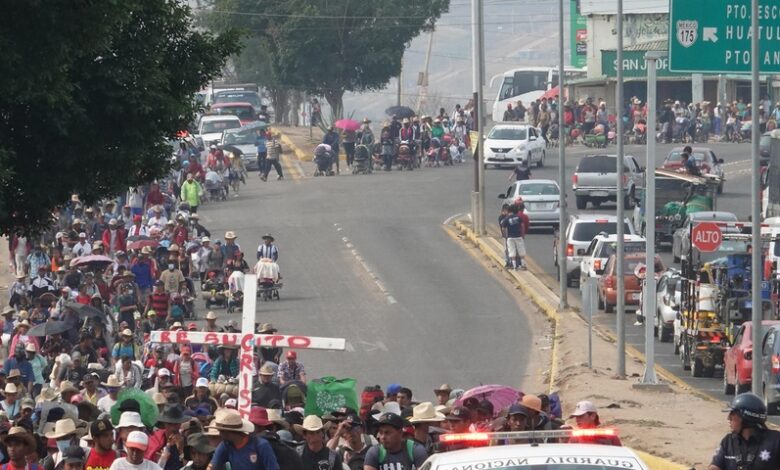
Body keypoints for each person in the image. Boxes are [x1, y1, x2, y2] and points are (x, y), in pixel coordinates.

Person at [709, 393, 780, 470]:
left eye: (732, 413)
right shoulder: (728, 441)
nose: (728, 418)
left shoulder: (775, 441)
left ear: (746, 417)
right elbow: (715, 466)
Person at [209, 410, 279, 470]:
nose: (220, 434)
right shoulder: (225, 445)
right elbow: (213, 466)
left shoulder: (261, 445)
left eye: (221, 431)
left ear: (228, 432)